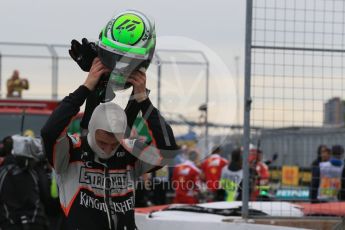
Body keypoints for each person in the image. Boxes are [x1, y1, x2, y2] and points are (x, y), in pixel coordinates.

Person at [41, 10, 178, 230]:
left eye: (115, 143)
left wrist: (143, 100)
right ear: (90, 130)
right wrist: (86, 87)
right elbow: (49, 132)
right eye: (103, 142)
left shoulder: (129, 153)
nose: (108, 149)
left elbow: (168, 149)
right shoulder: (70, 153)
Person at [0, 135, 49, 230]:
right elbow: (46, 196)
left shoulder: (2, 172)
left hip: (9, 224)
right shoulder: (34, 170)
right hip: (36, 223)